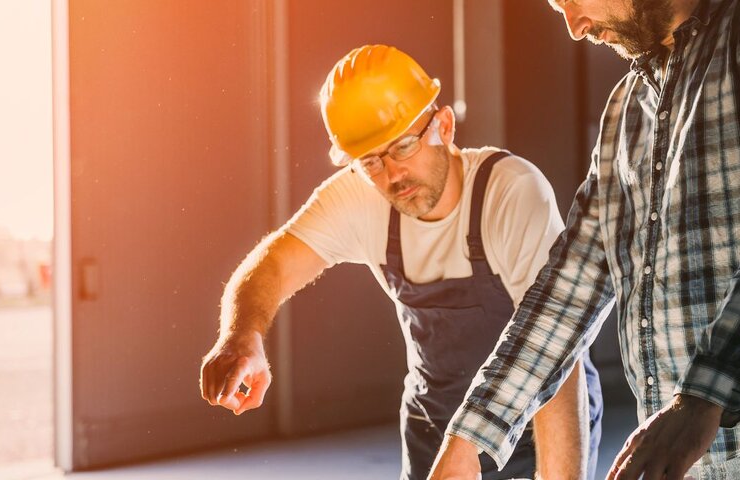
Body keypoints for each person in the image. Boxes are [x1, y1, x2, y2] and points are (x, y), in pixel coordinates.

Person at [429, 1, 740, 479]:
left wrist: (702, 397)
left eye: (573, 0)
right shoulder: (628, 106)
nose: (575, 28)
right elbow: (571, 281)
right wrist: (471, 435)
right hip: (684, 444)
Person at [198, 44, 603, 480]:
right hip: (433, 426)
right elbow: (274, 263)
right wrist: (241, 334)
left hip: (535, 423)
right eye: (371, 161)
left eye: (404, 146)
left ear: (443, 126)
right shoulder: (359, 196)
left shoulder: (511, 192)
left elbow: (555, 353)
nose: (392, 175)